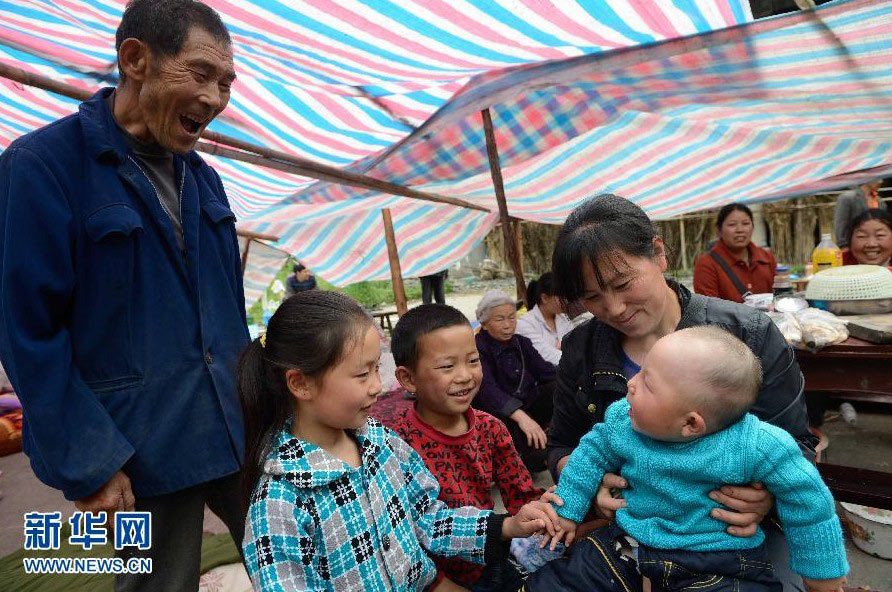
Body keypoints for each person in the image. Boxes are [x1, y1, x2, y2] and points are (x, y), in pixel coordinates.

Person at [0, 2, 247, 589]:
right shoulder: (40, 166)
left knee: (295, 564)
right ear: (135, 59)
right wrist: (89, 462)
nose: (214, 99)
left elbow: (228, 319)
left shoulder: (204, 177)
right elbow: (26, 331)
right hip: (135, 455)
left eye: (226, 83)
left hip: (235, 427)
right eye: (201, 74)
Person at [546, 194, 815, 592]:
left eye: (622, 284)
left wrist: (767, 499)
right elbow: (560, 445)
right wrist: (585, 478)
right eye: (592, 297)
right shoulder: (582, 349)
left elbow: (799, 446)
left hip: (733, 537)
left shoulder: (748, 334)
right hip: (630, 533)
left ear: (658, 254)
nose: (615, 308)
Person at [238, 291, 561, 591]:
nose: (378, 386)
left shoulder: (382, 443)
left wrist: (507, 526)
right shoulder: (279, 504)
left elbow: (427, 517)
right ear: (301, 383)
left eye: (377, 369)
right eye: (363, 374)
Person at [537, 327, 847, 592]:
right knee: (551, 583)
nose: (630, 383)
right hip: (628, 545)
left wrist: (823, 576)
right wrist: (569, 508)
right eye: (641, 370)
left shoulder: (758, 445)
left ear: (690, 423)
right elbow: (589, 455)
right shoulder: (623, 419)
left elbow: (808, 502)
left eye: (648, 382)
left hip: (720, 561)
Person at [390, 303, 543, 590]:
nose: (465, 375)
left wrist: (551, 509)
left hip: (489, 559)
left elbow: (522, 495)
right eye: (447, 366)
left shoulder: (491, 428)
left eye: (472, 361)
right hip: (429, 577)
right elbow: (403, 527)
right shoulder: (396, 442)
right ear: (408, 378)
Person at [474, 290, 557, 472]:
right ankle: (528, 457)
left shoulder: (522, 343)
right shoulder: (478, 348)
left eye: (512, 318)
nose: (508, 325)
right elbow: (487, 390)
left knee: (559, 387)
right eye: (500, 319)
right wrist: (521, 416)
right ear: (485, 323)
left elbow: (546, 372)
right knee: (528, 451)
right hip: (499, 413)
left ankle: (557, 436)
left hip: (528, 406)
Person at [693, 203, 776, 302]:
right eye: (732, 224)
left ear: (753, 227)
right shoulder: (707, 265)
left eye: (745, 223)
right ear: (719, 230)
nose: (739, 230)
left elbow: (778, 297)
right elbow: (708, 309)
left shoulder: (767, 258)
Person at [516, 272, 574, 366]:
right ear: (545, 298)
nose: (566, 301)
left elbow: (578, 345)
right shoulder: (525, 324)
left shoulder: (564, 318)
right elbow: (545, 354)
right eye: (561, 298)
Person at [833, 179, 883, 249]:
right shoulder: (847, 197)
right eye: (878, 178)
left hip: (876, 244)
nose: (881, 182)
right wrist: (843, 245)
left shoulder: (879, 201)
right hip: (854, 245)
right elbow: (841, 223)